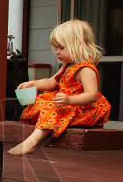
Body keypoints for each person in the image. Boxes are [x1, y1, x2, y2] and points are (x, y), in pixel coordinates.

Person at [9, 19, 111, 155]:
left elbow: (92, 95)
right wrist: (33, 84)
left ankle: (31, 142)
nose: (57, 52)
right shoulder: (67, 66)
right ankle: (38, 129)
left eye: (61, 48)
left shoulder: (86, 69)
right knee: (42, 100)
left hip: (83, 109)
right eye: (55, 48)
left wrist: (69, 100)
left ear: (78, 45)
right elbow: (51, 82)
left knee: (53, 108)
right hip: (66, 105)